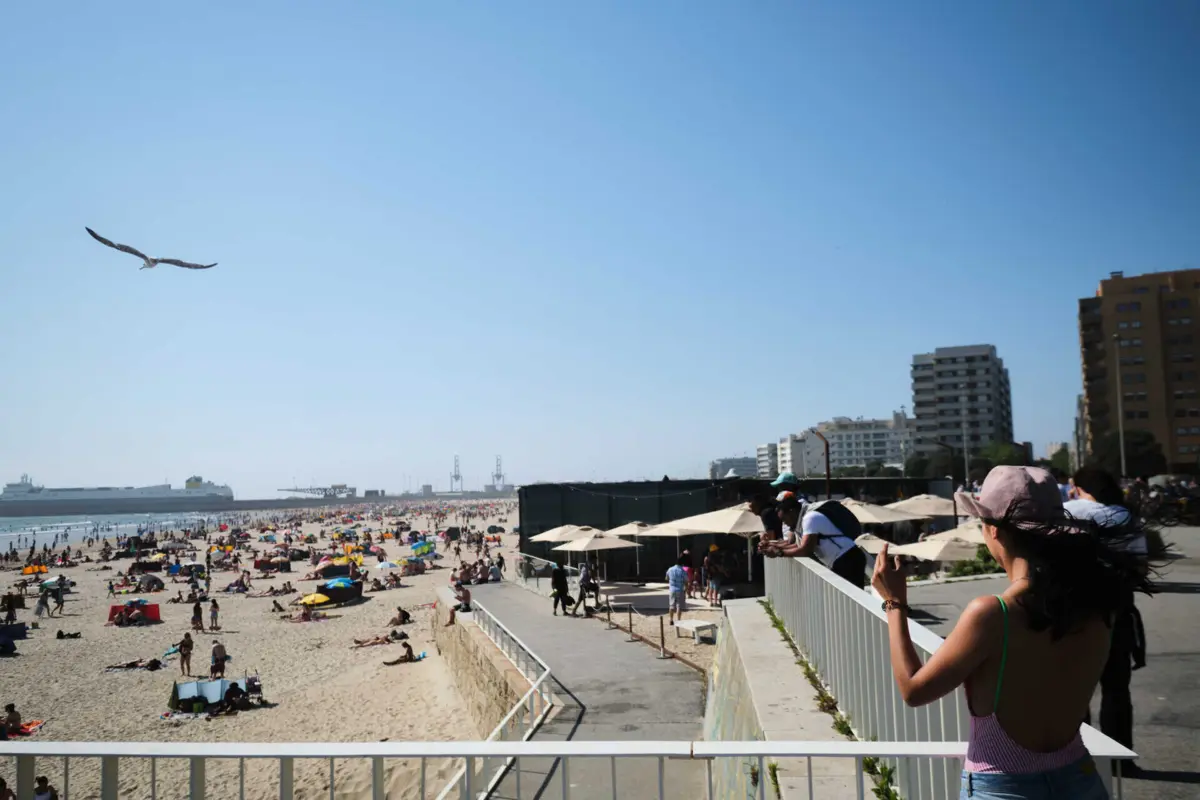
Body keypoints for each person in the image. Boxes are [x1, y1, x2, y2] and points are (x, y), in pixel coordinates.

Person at [872, 466, 1153, 797]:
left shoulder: (993, 614)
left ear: (993, 530)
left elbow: (913, 691)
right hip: (1080, 781)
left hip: (1003, 787)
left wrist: (894, 605)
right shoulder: (1098, 604)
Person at [1066, 467, 1148, 771]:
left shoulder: (1066, 511)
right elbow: (1140, 568)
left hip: (1073, 613)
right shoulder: (1126, 517)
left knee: (1075, 690)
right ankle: (1120, 760)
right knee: (1116, 688)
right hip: (1118, 611)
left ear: (1077, 487)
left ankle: (1078, 758)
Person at [760, 497, 867, 589]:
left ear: (792, 511)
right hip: (842, 560)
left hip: (848, 559)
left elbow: (805, 549)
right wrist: (772, 546)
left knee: (854, 600)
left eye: (784, 519)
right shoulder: (803, 520)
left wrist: (779, 553)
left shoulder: (810, 518)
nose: (785, 523)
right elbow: (798, 545)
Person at [666, 555, 687, 625]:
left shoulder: (670, 569)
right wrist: (685, 590)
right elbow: (686, 581)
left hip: (672, 589)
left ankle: (671, 620)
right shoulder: (682, 570)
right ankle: (678, 620)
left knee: (671, 605)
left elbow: (666, 578)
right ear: (682, 563)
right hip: (680, 589)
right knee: (679, 606)